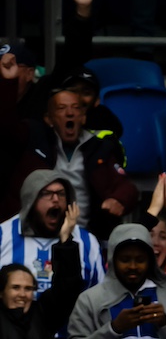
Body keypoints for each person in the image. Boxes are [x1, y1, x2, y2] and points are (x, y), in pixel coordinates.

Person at [6, 89, 137, 239]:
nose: (70, 113)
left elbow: (126, 187)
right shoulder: (35, 140)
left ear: (83, 118)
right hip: (35, 234)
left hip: (84, 235)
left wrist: (118, 199)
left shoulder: (99, 148)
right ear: (49, 119)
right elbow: (6, 128)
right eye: (61, 108)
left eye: (76, 108)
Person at [0, 171, 104, 294]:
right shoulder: (3, 235)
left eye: (61, 194)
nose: (55, 199)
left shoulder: (87, 242)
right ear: (30, 200)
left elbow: (99, 295)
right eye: (46, 193)